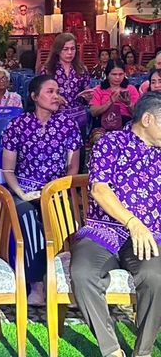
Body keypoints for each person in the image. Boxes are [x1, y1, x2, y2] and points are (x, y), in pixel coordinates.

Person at [70, 92, 161, 357]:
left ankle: (143, 352)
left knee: (156, 277)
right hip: (103, 231)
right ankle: (111, 350)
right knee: (83, 273)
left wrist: (142, 228)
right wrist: (132, 222)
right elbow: (99, 189)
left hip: (148, 236)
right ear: (147, 119)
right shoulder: (111, 143)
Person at [1, 75, 82, 304]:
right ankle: (37, 284)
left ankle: (63, 282)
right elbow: (8, 170)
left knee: (63, 216)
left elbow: (73, 167)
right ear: (35, 96)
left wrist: (56, 192)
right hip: (24, 190)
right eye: (50, 91)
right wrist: (22, 194)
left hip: (56, 190)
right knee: (26, 214)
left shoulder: (68, 125)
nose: (56, 96)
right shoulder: (17, 125)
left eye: (57, 92)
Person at [41, 33, 90, 109]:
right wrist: (55, 97)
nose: (70, 53)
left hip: (77, 111)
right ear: (58, 50)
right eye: (65, 49)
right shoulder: (48, 69)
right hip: (55, 112)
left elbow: (87, 91)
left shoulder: (82, 69)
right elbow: (42, 93)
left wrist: (89, 96)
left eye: (72, 49)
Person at [89, 60, 139, 133]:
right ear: (107, 75)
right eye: (114, 74)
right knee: (98, 136)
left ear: (124, 74)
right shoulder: (99, 89)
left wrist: (128, 103)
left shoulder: (131, 89)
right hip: (103, 123)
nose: (117, 77)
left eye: (121, 74)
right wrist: (110, 102)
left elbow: (138, 114)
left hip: (125, 123)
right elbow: (93, 112)